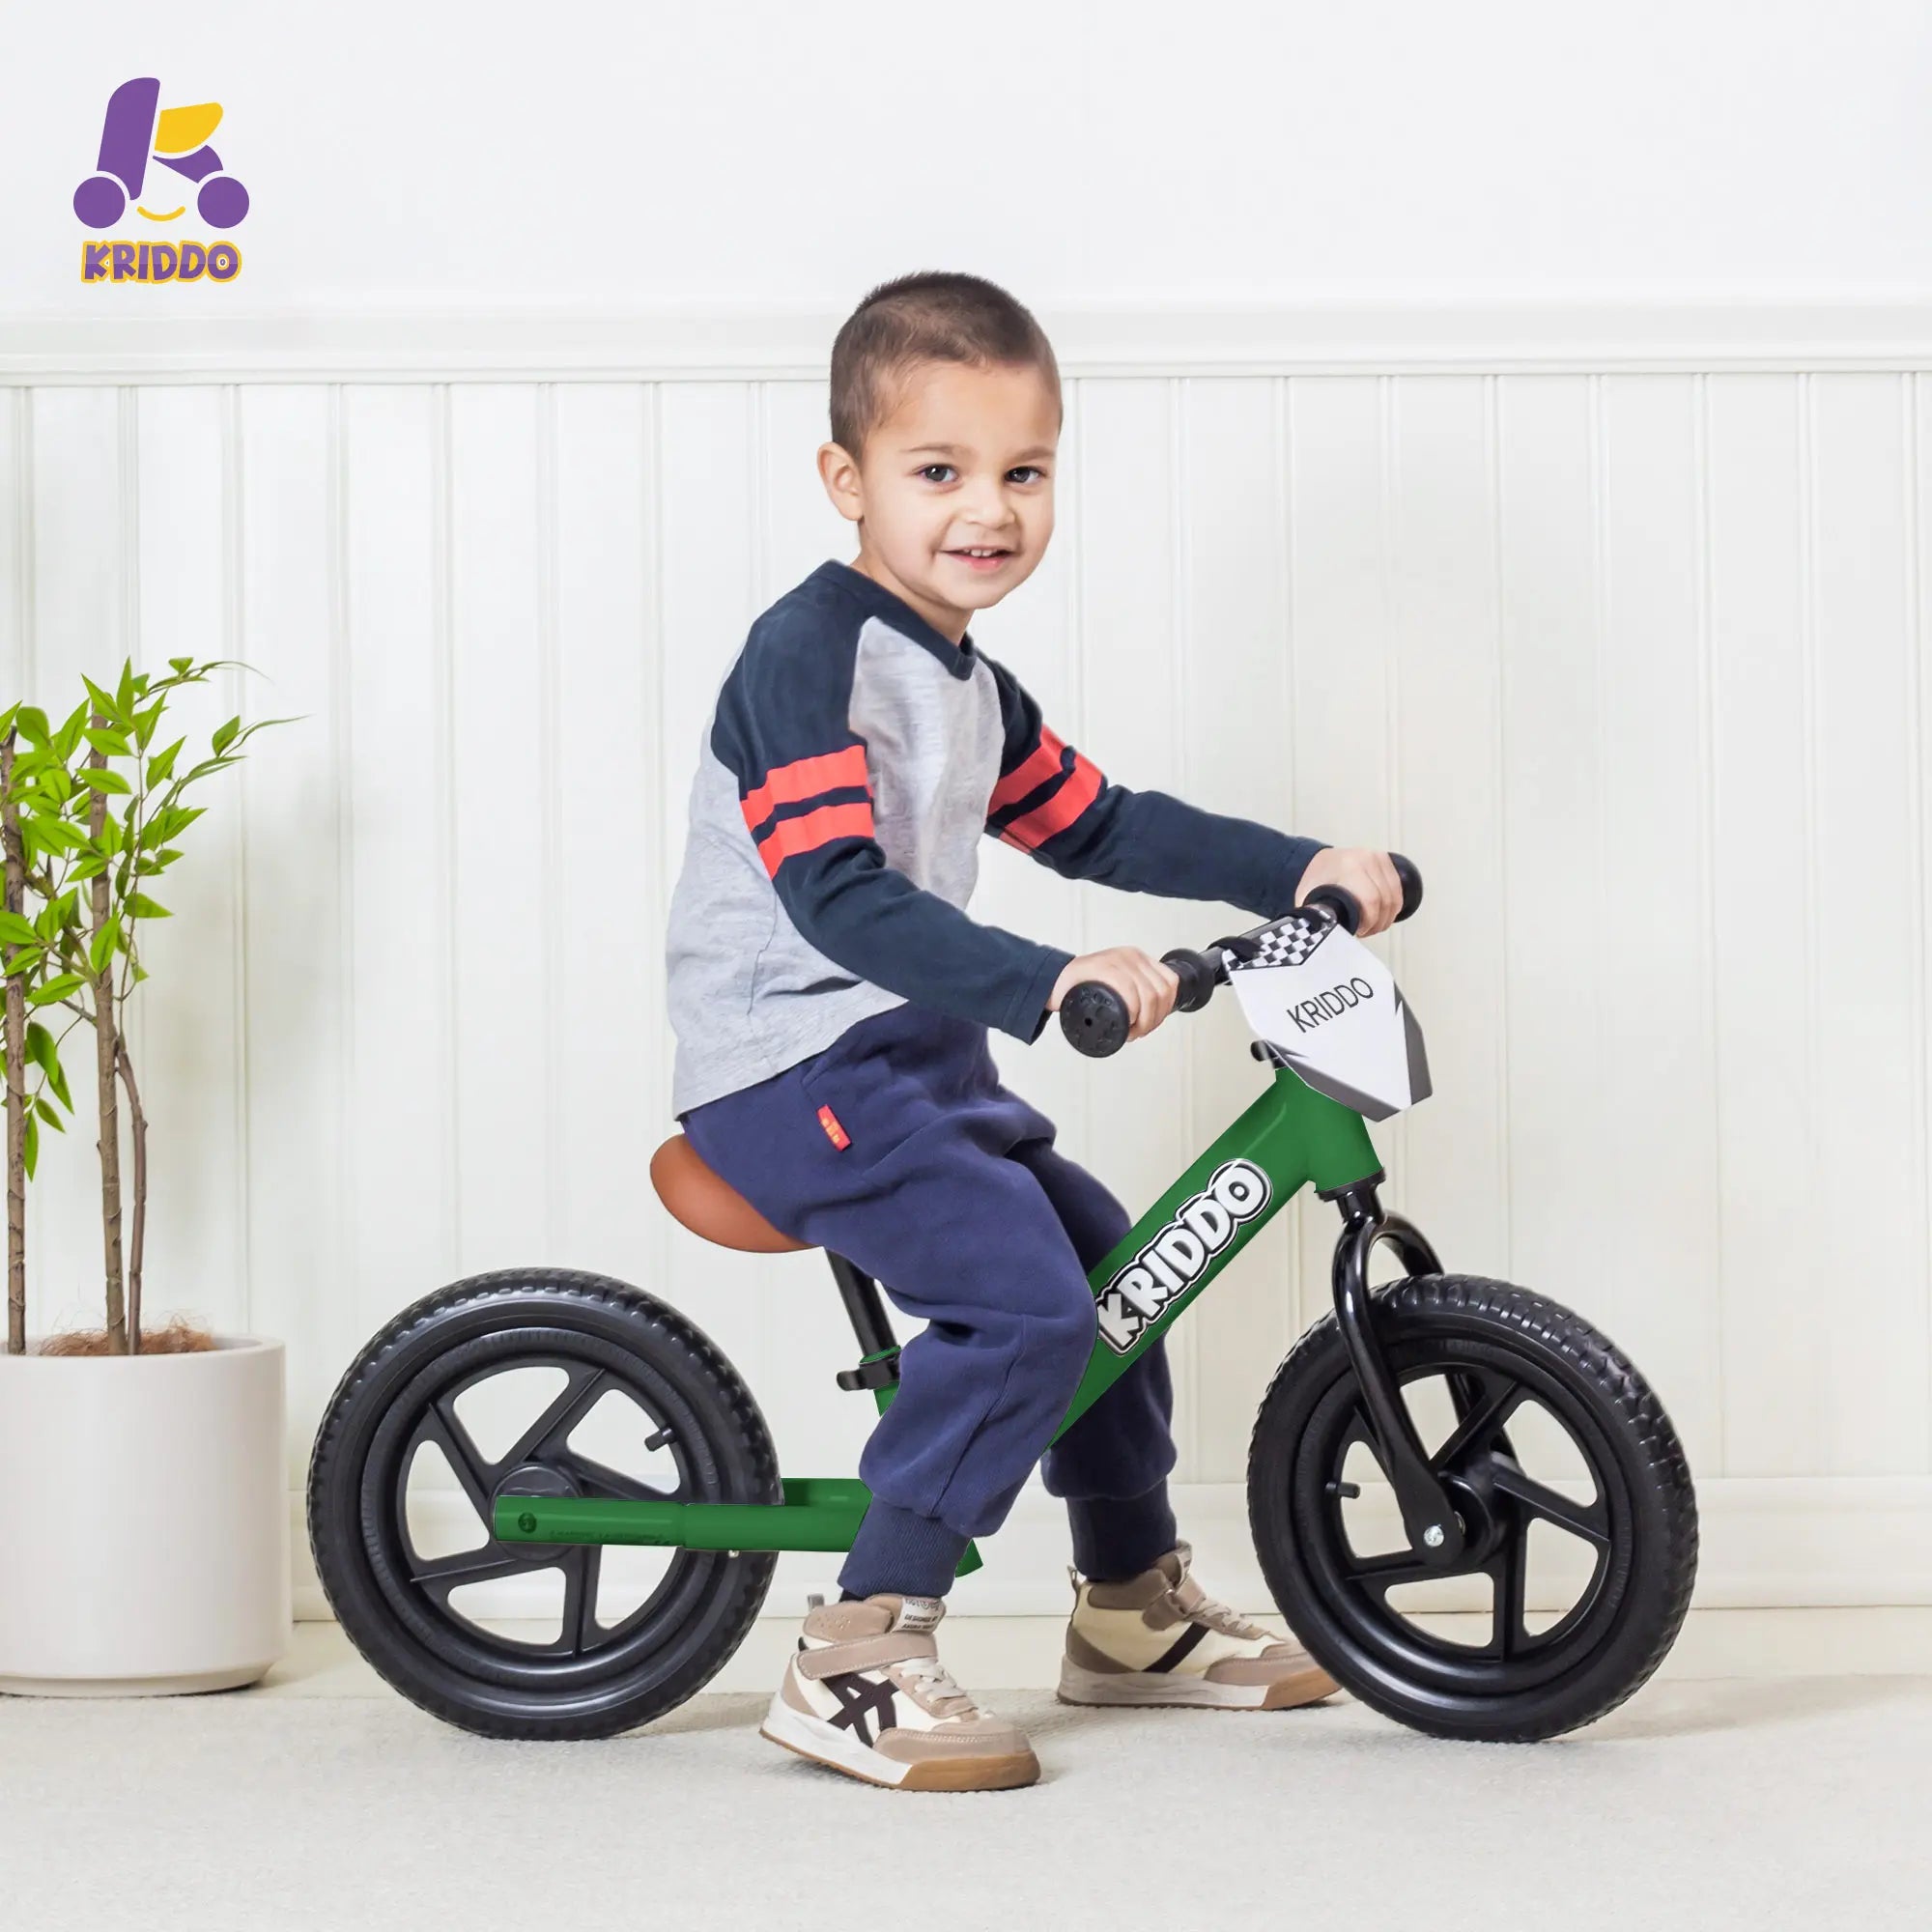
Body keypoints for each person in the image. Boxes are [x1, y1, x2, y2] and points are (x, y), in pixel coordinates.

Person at [666, 270, 1405, 1792]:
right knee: (1025, 1306)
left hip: (904, 1066)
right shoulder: (811, 655)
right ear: (845, 480)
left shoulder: (964, 679)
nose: (984, 508)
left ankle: (1129, 1606)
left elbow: (1104, 824)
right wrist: (1046, 986)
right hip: (788, 1068)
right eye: (937, 472)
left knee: (1111, 1272)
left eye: (1022, 473)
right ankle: (858, 1646)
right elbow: (836, 897)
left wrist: (1303, 868)